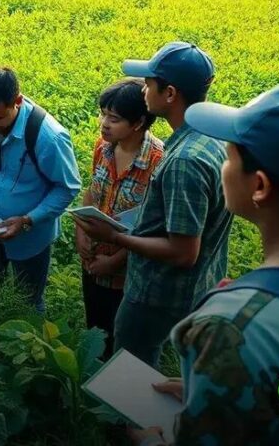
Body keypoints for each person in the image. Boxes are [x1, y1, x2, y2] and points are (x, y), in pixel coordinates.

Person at [129, 82, 279, 446]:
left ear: (260, 186)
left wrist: (150, 441)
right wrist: (225, 385)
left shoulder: (230, 327)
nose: (222, 164)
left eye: (229, 156)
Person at [76, 41, 234, 368]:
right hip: (192, 285)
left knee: (131, 373)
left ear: (170, 94)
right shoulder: (211, 136)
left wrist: (114, 237)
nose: (144, 91)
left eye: (149, 84)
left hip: (159, 292)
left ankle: (129, 421)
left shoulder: (182, 161)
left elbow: (183, 252)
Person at [0, 67, 81, 313]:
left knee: (28, 301)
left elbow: (67, 188)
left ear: (18, 102)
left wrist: (26, 220)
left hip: (30, 238)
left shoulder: (49, 137)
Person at [76, 78, 164, 358]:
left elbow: (153, 228)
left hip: (128, 274)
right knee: (96, 331)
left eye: (114, 119)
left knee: (123, 345)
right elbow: (92, 191)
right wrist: (81, 235)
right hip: (92, 263)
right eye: (103, 114)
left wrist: (113, 262)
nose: (104, 123)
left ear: (138, 123)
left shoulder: (158, 162)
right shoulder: (103, 149)